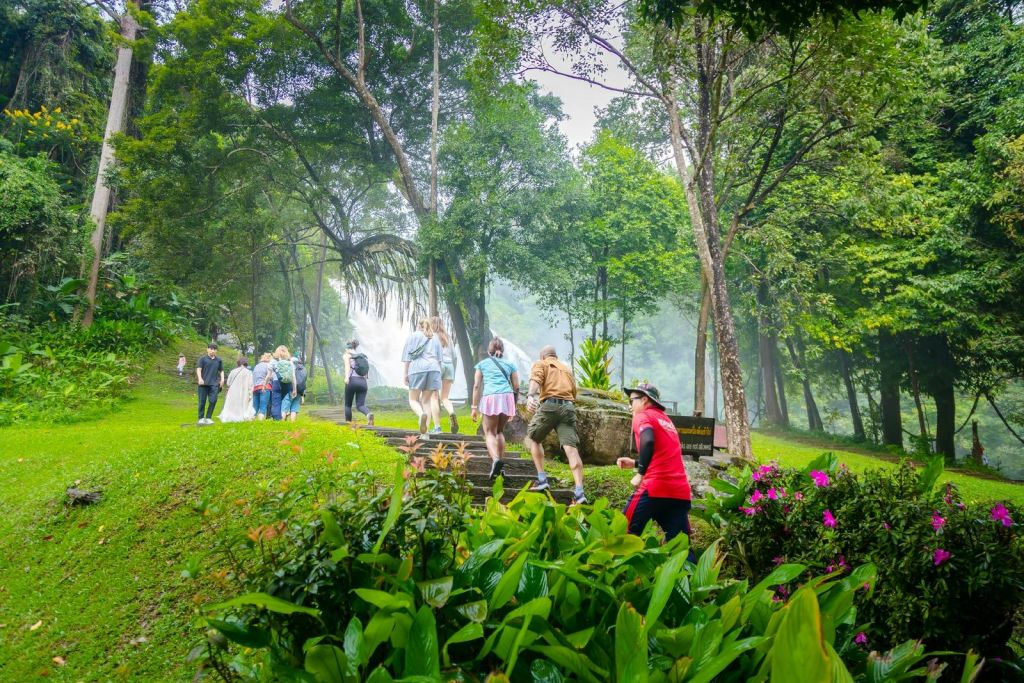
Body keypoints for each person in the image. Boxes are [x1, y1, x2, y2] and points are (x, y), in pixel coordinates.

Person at [616, 382, 695, 559]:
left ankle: (620, 580)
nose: (630, 406)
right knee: (681, 548)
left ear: (645, 400)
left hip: (654, 489)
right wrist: (635, 463)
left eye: (632, 401)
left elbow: (648, 441)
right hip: (679, 493)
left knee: (624, 533)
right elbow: (664, 456)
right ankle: (691, 583)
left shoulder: (642, 415)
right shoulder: (666, 420)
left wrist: (640, 473)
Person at [525, 345, 585, 505]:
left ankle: (542, 479)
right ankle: (579, 491)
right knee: (571, 449)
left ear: (543, 356)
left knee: (534, 438)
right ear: (555, 355)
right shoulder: (566, 369)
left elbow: (536, 379)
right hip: (568, 407)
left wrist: (531, 396)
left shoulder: (541, 363)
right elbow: (574, 392)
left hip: (550, 405)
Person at [471, 338, 519, 478]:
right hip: (507, 397)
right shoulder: (510, 364)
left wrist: (474, 407)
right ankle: (500, 464)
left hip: (491, 396)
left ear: (488, 351)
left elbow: (476, 386)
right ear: (502, 351)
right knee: (499, 431)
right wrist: (513, 407)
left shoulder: (482, 364)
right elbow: (516, 387)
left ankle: (496, 460)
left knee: (490, 432)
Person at [401, 318, 443, 435]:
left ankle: (421, 415)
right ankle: (426, 433)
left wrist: (405, 374)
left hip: (417, 369)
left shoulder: (413, 336)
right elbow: (440, 359)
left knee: (413, 399)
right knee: (426, 401)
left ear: (418, 326)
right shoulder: (435, 338)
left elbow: (407, 357)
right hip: (434, 369)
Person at [430, 316, 459, 433]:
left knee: (434, 397)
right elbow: (455, 356)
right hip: (450, 366)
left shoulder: (431, 337)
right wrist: (454, 372)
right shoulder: (447, 337)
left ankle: (437, 427)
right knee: (445, 397)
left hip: (438, 365)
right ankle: (451, 412)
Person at [342, 340, 373, 425]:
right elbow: (366, 373)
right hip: (363, 383)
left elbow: (347, 368)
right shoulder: (362, 356)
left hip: (352, 381)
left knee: (348, 405)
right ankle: (368, 414)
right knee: (360, 405)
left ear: (347, 348)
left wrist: (346, 378)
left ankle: (348, 424)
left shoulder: (347, 355)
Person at [219, 356, 255, 422]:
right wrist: (250, 394)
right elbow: (250, 384)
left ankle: (230, 416)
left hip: (233, 391)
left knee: (232, 404)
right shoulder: (248, 372)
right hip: (244, 392)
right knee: (243, 404)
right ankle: (242, 416)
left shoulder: (233, 371)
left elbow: (228, 383)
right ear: (246, 363)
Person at [196, 342, 224, 425]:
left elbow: (221, 370)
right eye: (211, 349)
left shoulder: (219, 360)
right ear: (207, 349)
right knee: (202, 401)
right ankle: (201, 418)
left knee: (213, 400)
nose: (213, 351)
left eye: (214, 349)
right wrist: (200, 378)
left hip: (214, 384)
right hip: (203, 384)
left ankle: (208, 418)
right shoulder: (203, 359)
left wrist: (222, 380)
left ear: (216, 351)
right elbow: (198, 369)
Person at [272, 346, 298, 422]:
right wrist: (294, 389)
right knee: (283, 401)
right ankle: (282, 417)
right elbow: (293, 377)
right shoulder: (290, 363)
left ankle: (277, 420)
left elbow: (269, 375)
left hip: (277, 383)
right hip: (287, 384)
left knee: (276, 401)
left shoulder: (273, 362)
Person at [251, 353, 273, 420]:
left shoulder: (257, 366)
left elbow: (253, 377)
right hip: (265, 387)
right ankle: (260, 421)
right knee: (263, 406)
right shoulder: (268, 365)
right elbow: (270, 376)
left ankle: (252, 419)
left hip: (255, 388)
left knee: (255, 407)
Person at [289, 356, 306, 421]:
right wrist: (303, 395)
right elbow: (304, 381)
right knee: (295, 406)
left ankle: (283, 422)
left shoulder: (291, 366)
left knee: (287, 404)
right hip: (299, 389)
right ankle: (292, 422)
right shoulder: (304, 369)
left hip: (290, 388)